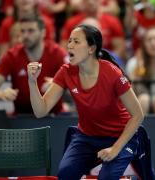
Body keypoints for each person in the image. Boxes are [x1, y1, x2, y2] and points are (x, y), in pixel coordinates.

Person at [27, 24, 144, 179]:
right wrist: (32, 82)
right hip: (86, 138)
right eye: (69, 41)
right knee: (65, 174)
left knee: (107, 177)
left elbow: (138, 115)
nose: (69, 45)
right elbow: (40, 111)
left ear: (91, 49)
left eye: (76, 41)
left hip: (119, 136)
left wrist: (115, 149)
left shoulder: (112, 73)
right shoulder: (66, 71)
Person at [0, 15, 68, 115]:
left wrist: (58, 84)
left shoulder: (57, 53)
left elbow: (77, 81)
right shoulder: (11, 56)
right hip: (21, 117)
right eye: (22, 31)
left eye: (31, 31)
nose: (25, 35)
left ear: (43, 33)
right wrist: (1, 94)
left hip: (54, 116)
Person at [126, 26, 155, 114]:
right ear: (144, 44)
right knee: (144, 99)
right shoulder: (133, 63)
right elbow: (129, 93)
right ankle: (140, 128)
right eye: (149, 40)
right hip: (139, 103)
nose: (153, 43)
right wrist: (139, 67)